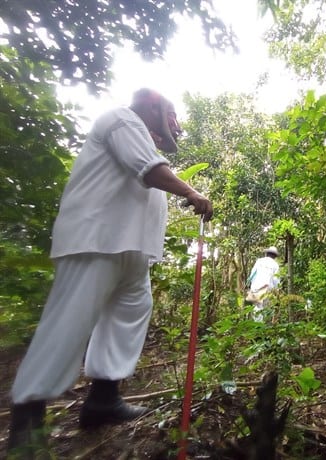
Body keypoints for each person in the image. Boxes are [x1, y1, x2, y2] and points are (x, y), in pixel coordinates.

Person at [7, 88, 213, 458]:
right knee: (69, 322)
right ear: (153, 104)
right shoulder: (122, 120)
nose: (175, 126)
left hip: (131, 251)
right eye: (171, 115)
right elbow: (149, 172)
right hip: (96, 242)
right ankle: (27, 419)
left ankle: (103, 398)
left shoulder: (142, 135)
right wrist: (192, 193)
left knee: (130, 314)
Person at [246, 246, 280, 322]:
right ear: (275, 256)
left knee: (257, 308)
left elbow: (252, 274)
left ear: (266, 254)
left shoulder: (259, 261)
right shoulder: (275, 265)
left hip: (256, 288)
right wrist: (277, 291)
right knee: (266, 308)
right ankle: (263, 328)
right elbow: (276, 280)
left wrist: (249, 285)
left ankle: (257, 327)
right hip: (268, 288)